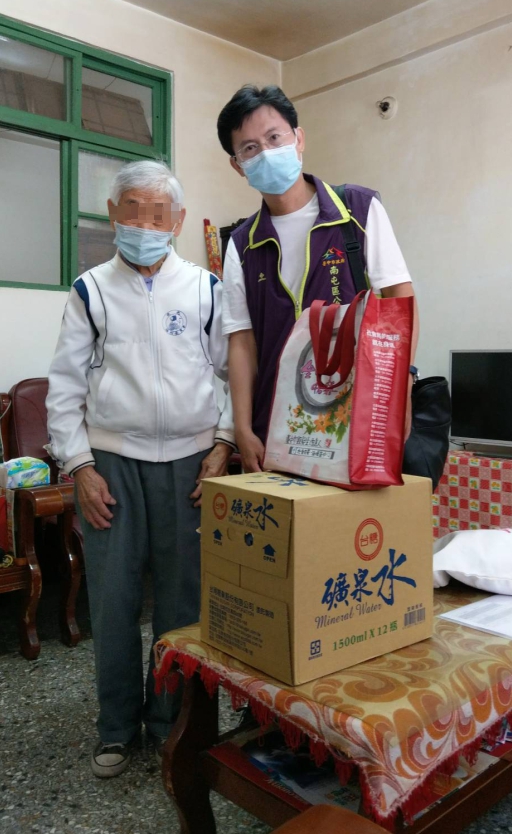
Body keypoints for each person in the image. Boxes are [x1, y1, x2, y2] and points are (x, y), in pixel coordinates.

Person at [46, 160, 234, 777]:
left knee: (183, 604)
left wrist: (223, 444)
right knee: (114, 599)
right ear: (113, 214)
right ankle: (117, 728)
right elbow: (65, 387)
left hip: (189, 466)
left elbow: (232, 374)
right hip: (113, 466)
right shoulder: (90, 290)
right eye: (133, 210)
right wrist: (79, 466)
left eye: (158, 214)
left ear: (177, 221)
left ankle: (173, 724)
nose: (145, 225)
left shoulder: (206, 289)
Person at [217, 85, 418, 472]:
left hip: (355, 416)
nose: (266, 152)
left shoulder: (357, 209)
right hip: (275, 424)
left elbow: (399, 300)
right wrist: (241, 428)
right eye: (250, 148)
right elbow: (241, 341)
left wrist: (401, 391)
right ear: (237, 165)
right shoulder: (242, 243)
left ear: (298, 138)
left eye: (274, 137)